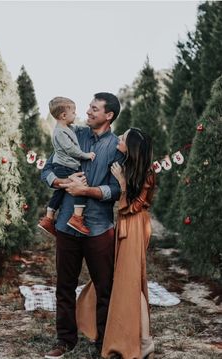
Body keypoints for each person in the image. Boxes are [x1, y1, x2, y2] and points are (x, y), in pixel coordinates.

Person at [41, 92, 124, 359]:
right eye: (88, 107)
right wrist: (63, 184)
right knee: (65, 285)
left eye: (94, 108)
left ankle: (103, 341)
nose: (88, 111)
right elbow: (47, 170)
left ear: (108, 115)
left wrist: (87, 192)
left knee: (105, 287)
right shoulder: (72, 134)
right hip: (66, 225)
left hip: (99, 228)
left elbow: (116, 190)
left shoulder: (117, 147)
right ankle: (65, 340)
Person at [77, 128, 156, 359]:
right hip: (125, 225)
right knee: (119, 279)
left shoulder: (147, 173)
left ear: (130, 146)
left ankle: (145, 341)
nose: (118, 139)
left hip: (135, 227)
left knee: (132, 282)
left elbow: (132, 207)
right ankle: (125, 335)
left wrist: (121, 182)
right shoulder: (128, 165)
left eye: (122, 138)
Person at [38, 96, 96, 236]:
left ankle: (48, 218)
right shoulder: (61, 132)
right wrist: (86, 155)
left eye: (94, 109)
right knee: (81, 187)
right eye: (74, 112)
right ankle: (76, 218)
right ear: (64, 115)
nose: (78, 114)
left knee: (59, 193)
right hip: (66, 167)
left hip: (64, 167)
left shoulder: (69, 128)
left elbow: (75, 128)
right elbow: (70, 150)